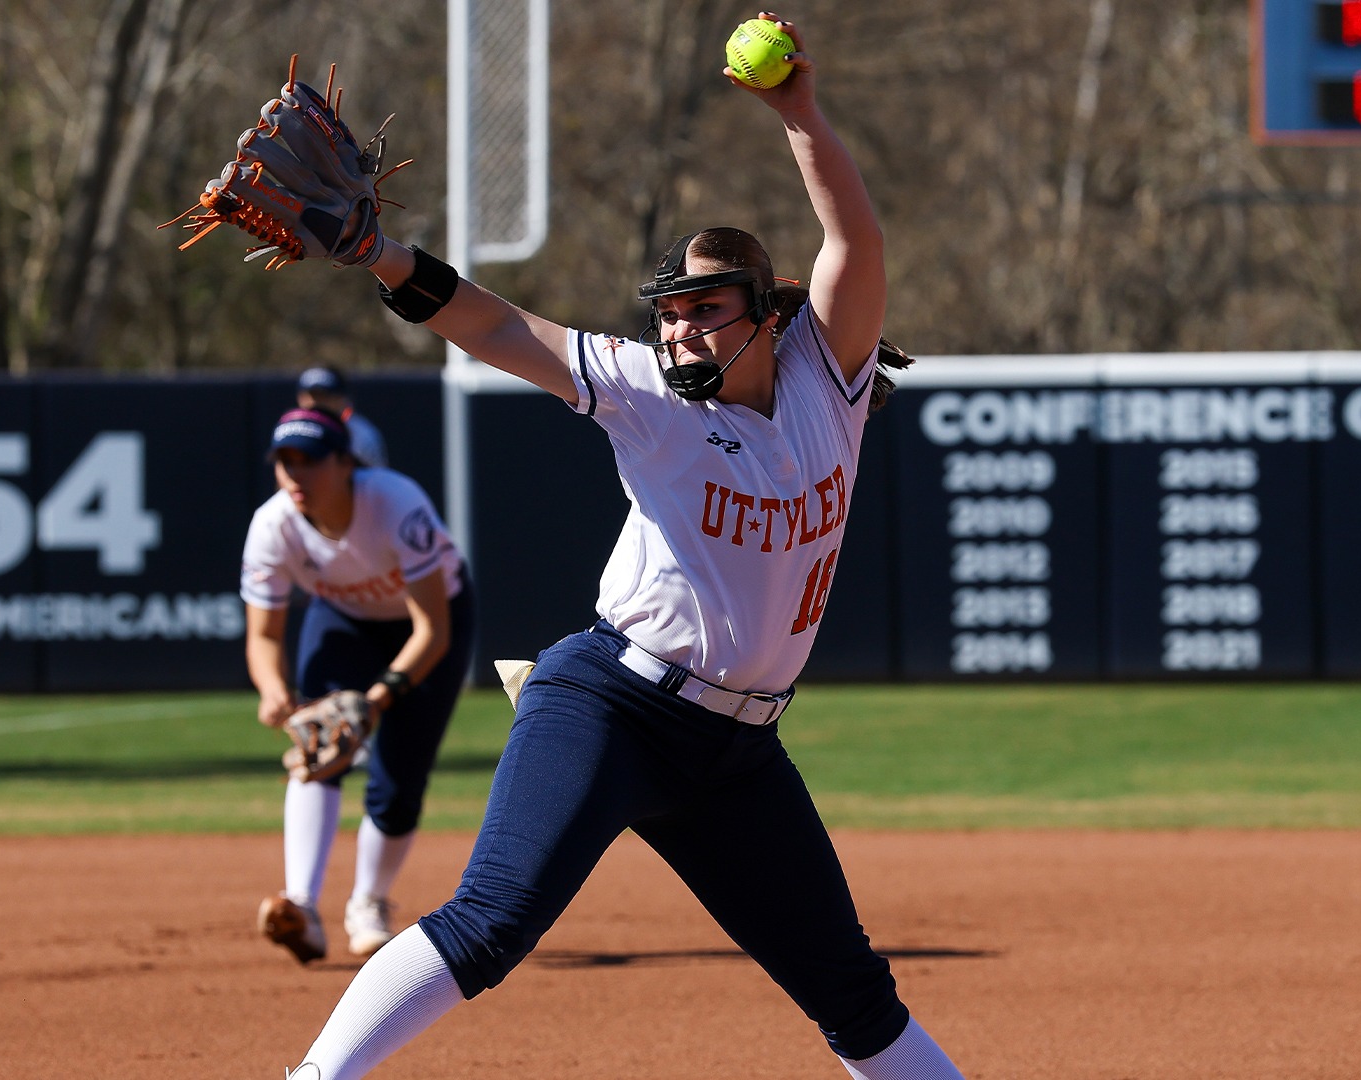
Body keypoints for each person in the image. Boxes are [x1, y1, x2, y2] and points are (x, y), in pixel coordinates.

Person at [279, 13, 960, 1078]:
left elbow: (857, 244)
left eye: (704, 309)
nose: (680, 327)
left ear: (767, 316)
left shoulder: (831, 379)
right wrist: (378, 253)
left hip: (739, 756)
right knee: (493, 923)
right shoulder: (648, 394)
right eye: (671, 312)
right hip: (613, 705)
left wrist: (799, 115)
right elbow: (502, 328)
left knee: (852, 994)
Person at [240, 406, 474, 964]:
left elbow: (433, 630)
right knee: (318, 747)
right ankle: (301, 906)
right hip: (343, 617)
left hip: (429, 625)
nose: (296, 474)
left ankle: (368, 902)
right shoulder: (271, 527)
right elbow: (264, 636)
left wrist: (373, 702)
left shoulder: (394, 504)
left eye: (311, 460)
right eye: (284, 462)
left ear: (346, 463)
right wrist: (272, 689)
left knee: (397, 783)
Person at [295, 365, 390, 469]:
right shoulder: (290, 431)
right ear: (300, 398)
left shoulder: (361, 434)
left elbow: (376, 478)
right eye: (312, 396)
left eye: (324, 396)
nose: (315, 403)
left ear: (342, 398)